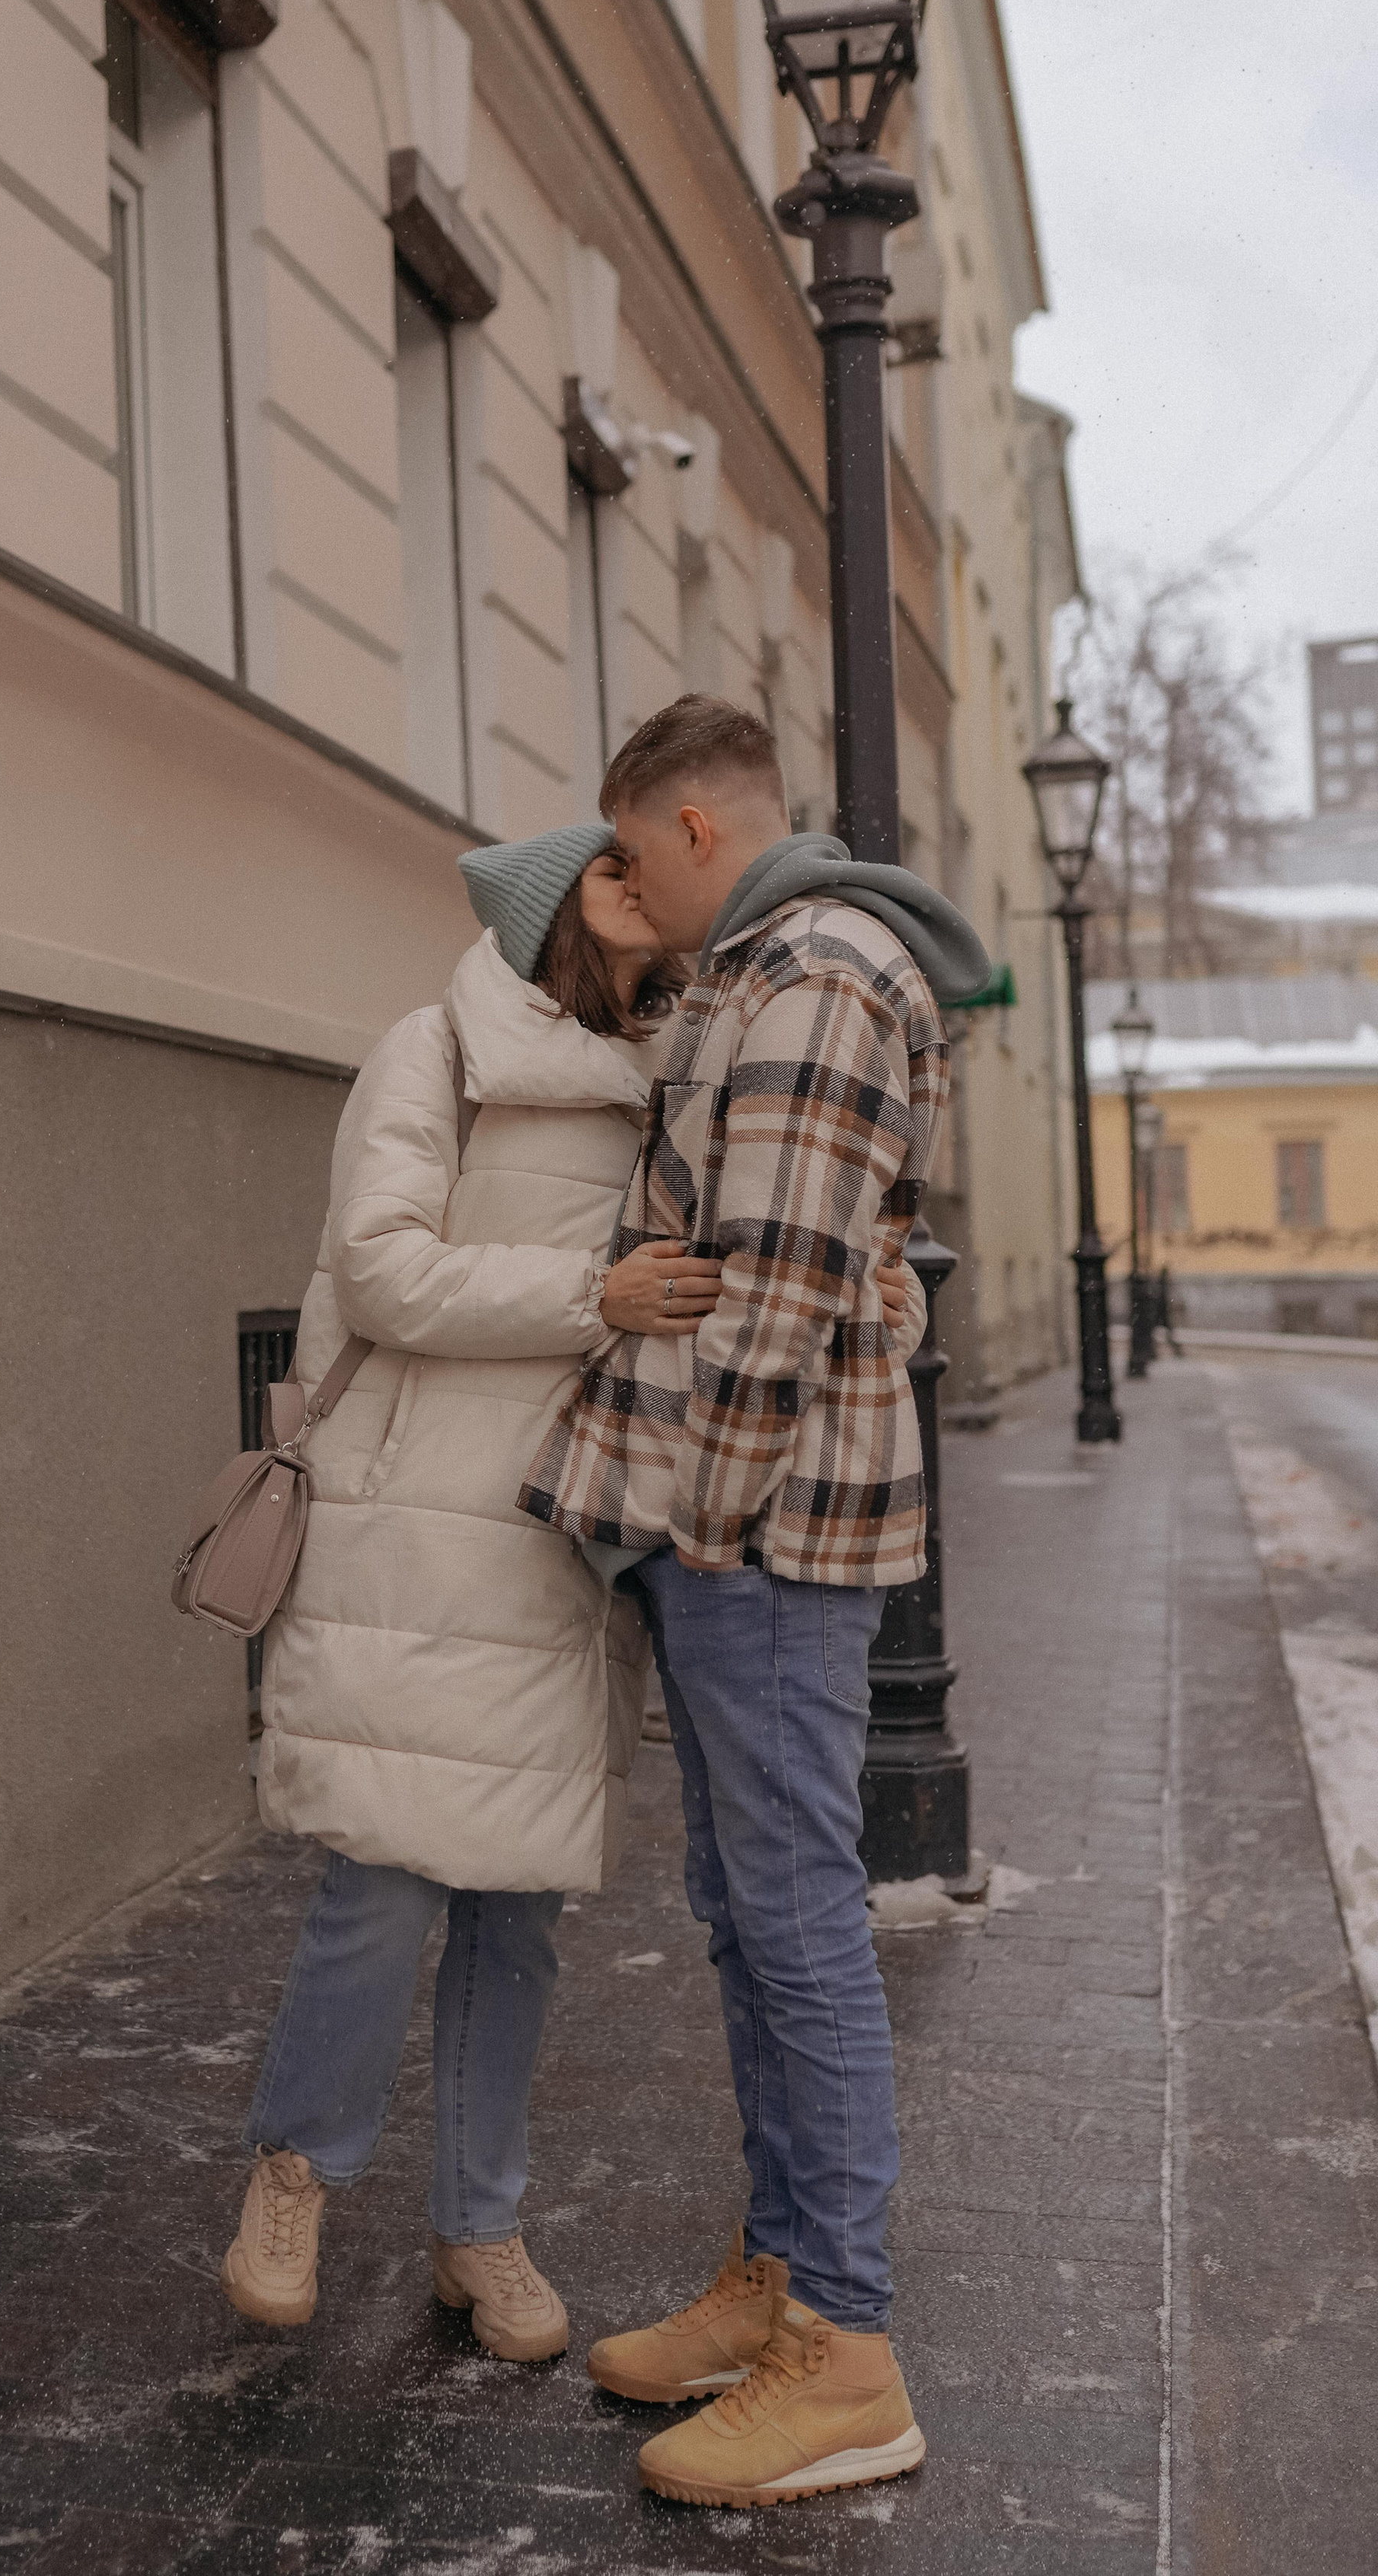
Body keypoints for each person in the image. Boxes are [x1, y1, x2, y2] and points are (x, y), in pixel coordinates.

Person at [519, 694, 988, 2510]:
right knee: (747, 1905)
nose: (613, 887)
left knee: (793, 1923)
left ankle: (847, 2356)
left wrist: (704, 1512)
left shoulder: (815, 976)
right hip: (742, 1530)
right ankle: (781, 2280)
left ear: (701, 835)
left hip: (761, 1533)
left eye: (628, 854)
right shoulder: (762, 966)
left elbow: (778, 1277)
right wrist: (629, 941)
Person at [219, 823, 721, 2364]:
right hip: (407, 1524)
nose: (648, 873)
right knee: (380, 1879)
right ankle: (291, 2174)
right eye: (614, 863)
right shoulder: (432, 1052)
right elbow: (378, 1272)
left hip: (558, 1528)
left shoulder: (679, 1073)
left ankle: (479, 2226)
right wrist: (591, 1297)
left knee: (517, 1909)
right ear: (553, 902)